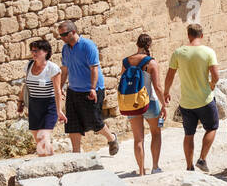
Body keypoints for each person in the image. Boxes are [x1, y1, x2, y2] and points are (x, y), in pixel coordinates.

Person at [164, 22, 220, 172]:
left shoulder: (178, 53)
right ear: (201, 36)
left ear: (188, 35)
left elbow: (170, 75)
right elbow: (216, 76)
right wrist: (212, 84)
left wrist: (166, 91)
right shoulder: (208, 52)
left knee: (189, 134)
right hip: (205, 99)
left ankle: (189, 167)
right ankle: (202, 159)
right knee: (212, 127)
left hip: (186, 102)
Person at [57, 20, 119, 155]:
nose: (62, 38)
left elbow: (94, 69)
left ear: (73, 32)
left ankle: (112, 138)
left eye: (64, 35)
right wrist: (60, 87)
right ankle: (76, 153)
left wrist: (92, 88)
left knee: (95, 120)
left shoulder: (87, 46)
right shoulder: (66, 49)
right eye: (60, 35)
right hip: (73, 90)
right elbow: (65, 69)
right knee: (72, 122)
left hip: (92, 89)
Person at [120, 33, 165, 176]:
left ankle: (141, 171)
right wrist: (164, 104)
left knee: (138, 139)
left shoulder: (126, 62)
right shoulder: (151, 62)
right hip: (149, 102)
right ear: (149, 46)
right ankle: (155, 167)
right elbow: (157, 87)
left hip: (132, 103)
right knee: (156, 133)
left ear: (137, 45)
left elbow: (121, 83)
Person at [17, 38, 66, 156]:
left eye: (36, 51)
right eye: (32, 50)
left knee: (43, 137)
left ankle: (52, 165)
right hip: (34, 106)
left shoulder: (52, 68)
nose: (33, 53)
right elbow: (26, 85)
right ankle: (44, 163)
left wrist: (59, 111)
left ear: (45, 52)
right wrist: (20, 101)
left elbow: (57, 91)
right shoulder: (28, 66)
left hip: (49, 106)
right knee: (38, 140)